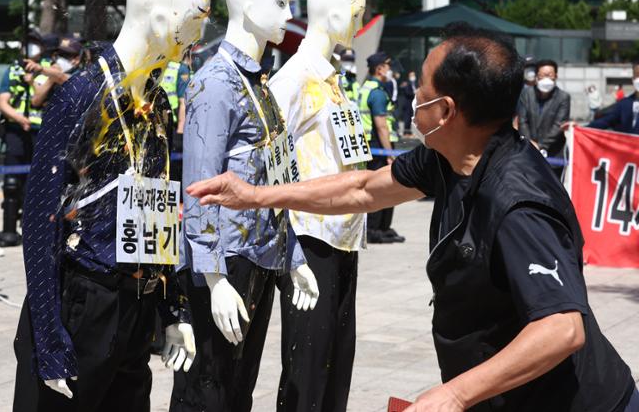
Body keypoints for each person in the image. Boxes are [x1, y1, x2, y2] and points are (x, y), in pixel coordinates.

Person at [187, 23, 638, 412]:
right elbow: (362, 188)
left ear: (445, 111)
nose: (414, 96)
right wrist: (256, 195)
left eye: (421, 88)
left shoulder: (519, 203)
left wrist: (455, 395)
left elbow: (562, 327)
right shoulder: (449, 155)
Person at [13, 0, 209, 412]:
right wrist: (48, 334)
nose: (200, 33)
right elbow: (41, 221)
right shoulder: (81, 95)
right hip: (82, 302)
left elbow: (158, 209)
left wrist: (171, 308)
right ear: (160, 19)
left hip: (135, 303)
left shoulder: (156, 102)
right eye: (194, 20)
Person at [170, 0, 318, 412]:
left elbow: (274, 178)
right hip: (226, 259)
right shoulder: (216, 83)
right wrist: (213, 278)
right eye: (281, 3)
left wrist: (291, 255)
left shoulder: (261, 84)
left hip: (260, 259)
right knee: (206, 390)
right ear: (249, 8)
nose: (289, 13)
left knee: (239, 390)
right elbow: (199, 186)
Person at [268, 0, 367, 412]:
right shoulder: (294, 77)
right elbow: (270, 154)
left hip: (345, 233)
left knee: (338, 356)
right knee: (307, 361)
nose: (360, 22)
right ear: (329, 14)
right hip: (310, 235)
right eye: (356, 12)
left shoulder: (333, 81)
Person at [0, 31, 57, 246]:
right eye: (28, 44)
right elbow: (3, 101)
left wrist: (33, 79)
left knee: (37, 183)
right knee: (12, 183)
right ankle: (8, 231)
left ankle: (34, 230)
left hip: (39, 133)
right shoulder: (12, 70)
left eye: (35, 44)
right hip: (15, 131)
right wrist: (18, 117)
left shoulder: (48, 68)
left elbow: (38, 98)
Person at [358, 52, 404, 243]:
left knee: (385, 186)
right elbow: (382, 125)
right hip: (379, 146)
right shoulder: (376, 92)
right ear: (379, 69)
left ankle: (383, 227)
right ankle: (375, 229)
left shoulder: (368, 87)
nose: (389, 69)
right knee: (381, 187)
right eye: (387, 65)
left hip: (373, 145)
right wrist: (389, 153)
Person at [518, 59, 570, 174]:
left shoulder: (563, 97)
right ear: (536, 77)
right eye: (542, 75)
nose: (546, 79)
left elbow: (558, 125)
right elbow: (523, 121)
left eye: (549, 75)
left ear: (556, 76)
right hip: (528, 152)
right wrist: (530, 143)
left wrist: (541, 145)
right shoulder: (526, 94)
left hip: (554, 155)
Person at [587, 63, 639, 134]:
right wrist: (577, 128)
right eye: (637, 75)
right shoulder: (623, 105)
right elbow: (604, 122)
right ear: (633, 79)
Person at [399, 70, 418, 137]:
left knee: (411, 118)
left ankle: (409, 132)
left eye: (413, 75)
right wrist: (414, 93)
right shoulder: (406, 83)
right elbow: (407, 92)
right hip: (407, 103)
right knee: (407, 118)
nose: (413, 76)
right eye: (411, 75)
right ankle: (406, 132)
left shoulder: (415, 83)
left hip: (413, 103)